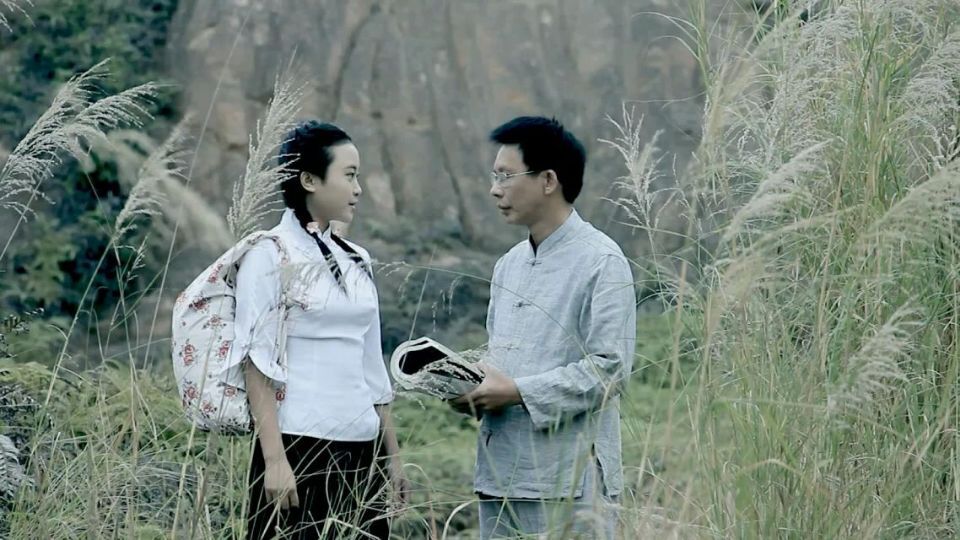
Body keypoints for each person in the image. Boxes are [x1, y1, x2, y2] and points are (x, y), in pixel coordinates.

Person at [451, 116, 637, 539]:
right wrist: (471, 387)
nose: (495, 189)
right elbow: (502, 359)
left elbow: (610, 369)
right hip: (500, 474)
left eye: (505, 175)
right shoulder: (509, 265)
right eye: (493, 176)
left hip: (570, 481)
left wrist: (517, 392)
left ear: (548, 180)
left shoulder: (601, 260)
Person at [231, 120, 405, 539]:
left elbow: (372, 367)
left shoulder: (357, 259)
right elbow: (257, 364)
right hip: (298, 445)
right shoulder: (269, 253)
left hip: (363, 448)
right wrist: (275, 461)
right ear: (309, 180)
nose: (358, 189)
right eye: (349, 175)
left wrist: (393, 459)